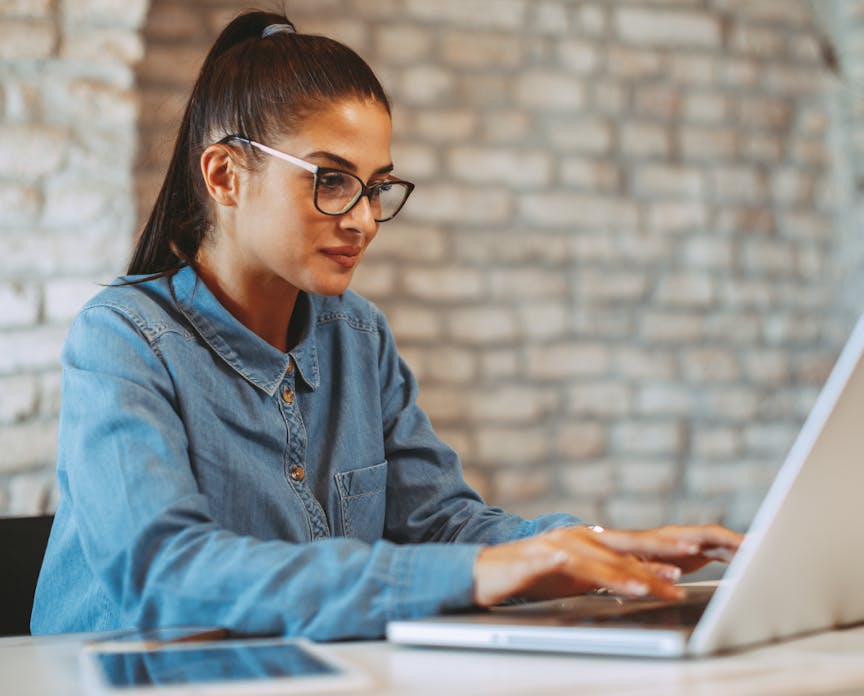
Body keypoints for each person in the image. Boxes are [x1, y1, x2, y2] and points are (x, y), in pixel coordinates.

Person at [31, 11, 741, 640]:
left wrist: (587, 545)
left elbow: (440, 524)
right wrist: (476, 575)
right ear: (223, 176)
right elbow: (163, 572)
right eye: (331, 179)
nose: (365, 219)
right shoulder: (121, 339)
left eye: (376, 186)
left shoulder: (356, 337)